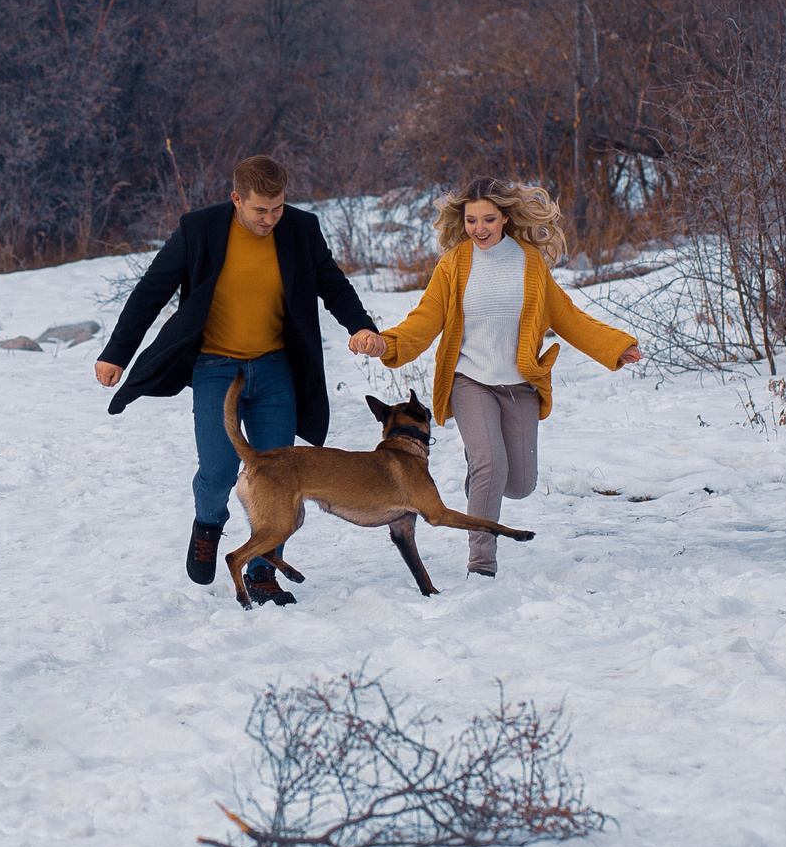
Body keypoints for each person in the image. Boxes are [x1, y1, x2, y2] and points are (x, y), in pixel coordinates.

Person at [93, 155, 380, 607]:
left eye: (278, 208)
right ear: (236, 199)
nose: (270, 220)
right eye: (259, 211)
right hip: (215, 367)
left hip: (274, 370)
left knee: (278, 477)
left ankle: (263, 572)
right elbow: (151, 290)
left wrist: (361, 326)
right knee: (218, 471)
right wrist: (116, 354)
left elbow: (334, 285)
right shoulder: (200, 229)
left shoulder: (301, 230)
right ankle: (208, 525)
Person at [347, 177, 642, 577]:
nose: (479, 229)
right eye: (471, 220)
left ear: (505, 217)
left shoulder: (530, 262)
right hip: (470, 381)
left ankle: (480, 479)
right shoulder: (454, 265)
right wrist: (386, 344)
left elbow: (567, 316)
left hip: (520, 384)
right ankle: (482, 563)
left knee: (519, 484)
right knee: (490, 462)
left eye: (488, 219)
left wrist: (613, 346)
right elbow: (424, 320)